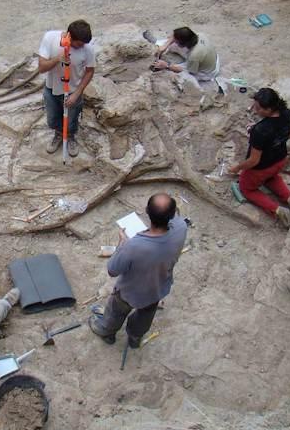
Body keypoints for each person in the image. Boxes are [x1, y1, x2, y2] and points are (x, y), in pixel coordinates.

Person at [89, 193, 187, 347]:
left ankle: (107, 331)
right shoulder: (181, 228)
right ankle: (135, 338)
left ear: (147, 211)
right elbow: (176, 220)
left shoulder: (134, 246)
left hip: (129, 292)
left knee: (116, 311)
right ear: (173, 214)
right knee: (145, 315)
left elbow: (112, 270)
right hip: (157, 288)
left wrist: (122, 244)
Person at [228, 88, 290, 228]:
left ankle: (276, 209)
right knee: (271, 177)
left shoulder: (260, 131)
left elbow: (254, 160)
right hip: (280, 159)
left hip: (261, 168)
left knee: (247, 188)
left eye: (259, 108)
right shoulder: (287, 113)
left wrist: (237, 167)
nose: (255, 110)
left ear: (269, 109)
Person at [38, 19, 96, 157]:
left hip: (72, 90)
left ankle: (70, 136)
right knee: (52, 119)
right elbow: (41, 68)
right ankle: (58, 134)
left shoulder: (88, 48)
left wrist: (77, 93)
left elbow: (89, 71)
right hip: (52, 88)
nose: (82, 47)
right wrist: (58, 58)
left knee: (71, 120)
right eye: (78, 44)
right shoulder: (50, 38)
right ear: (69, 36)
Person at [149, 27, 219, 82]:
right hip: (206, 57)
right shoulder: (199, 35)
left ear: (184, 43)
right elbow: (175, 36)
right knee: (172, 44)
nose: (174, 39)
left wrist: (167, 66)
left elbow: (189, 72)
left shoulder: (194, 56)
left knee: (179, 72)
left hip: (206, 72)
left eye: (177, 41)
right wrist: (164, 46)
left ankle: (165, 64)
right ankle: (159, 43)